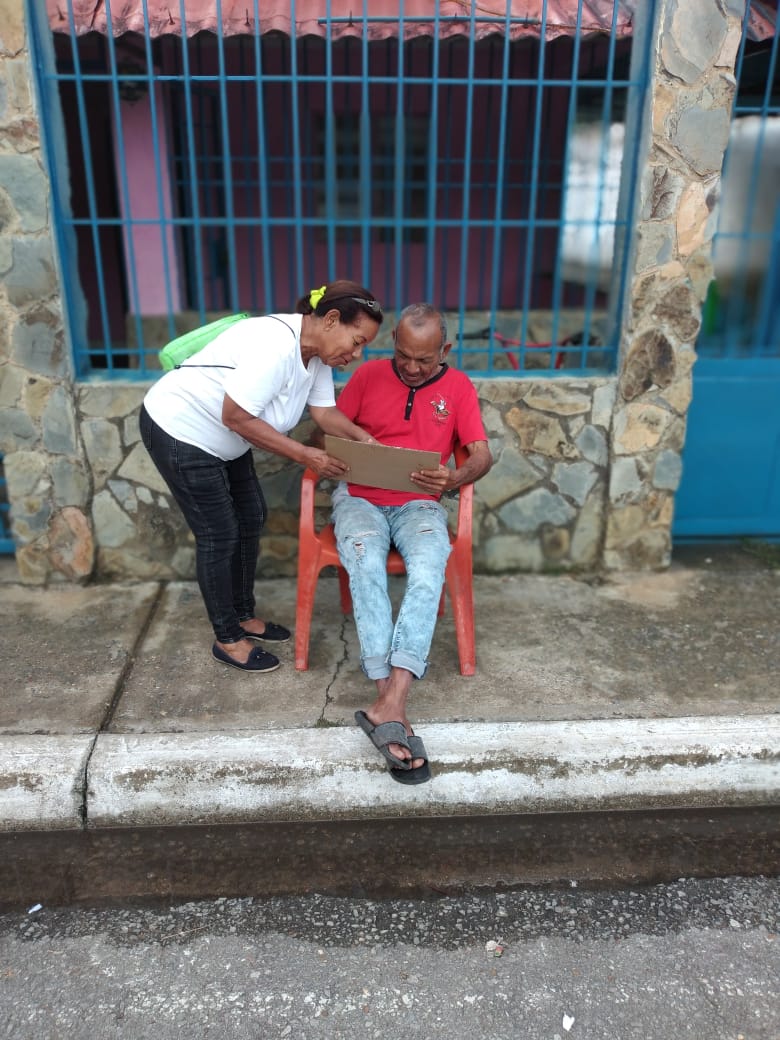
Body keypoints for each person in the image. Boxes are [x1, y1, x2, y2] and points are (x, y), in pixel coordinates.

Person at [139, 280, 383, 673]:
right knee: (218, 533)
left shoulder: (317, 355)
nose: (356, 354)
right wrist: (307, 454)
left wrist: (365, 439)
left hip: (226, 439)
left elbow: (324, 413)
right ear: (331, 319)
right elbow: (235, 416)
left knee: (251, 516)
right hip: (180, 429)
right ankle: (227, 637)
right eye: (356, 341)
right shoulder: (275, 346)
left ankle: (243, 614)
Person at [330, 302, 492, 783]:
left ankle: (390, 702)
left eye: (425, 360)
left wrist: (453, 477)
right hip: (359, 498)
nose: (413, 368)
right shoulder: (368, 377)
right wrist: (351, 449)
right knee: (365, 563)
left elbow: (482, 454)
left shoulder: (458, 386)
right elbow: (330, 432)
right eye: (404, 356)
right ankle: (394, 704)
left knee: (427, 570)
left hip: (420, 504)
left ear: (444, 350)